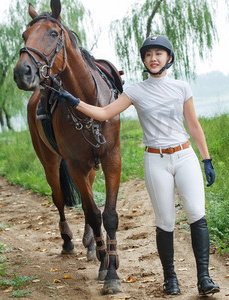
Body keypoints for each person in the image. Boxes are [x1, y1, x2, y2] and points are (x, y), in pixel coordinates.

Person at [58, 34, 220, 296]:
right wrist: (74, 101)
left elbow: (193, 125)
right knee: (165, 220)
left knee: (196, 214)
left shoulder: (182, 87)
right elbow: (104, 113)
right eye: (148, 55)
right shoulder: (134, 90)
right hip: (156, 160)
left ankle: (204, 278)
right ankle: (171, 279)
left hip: (184, 154)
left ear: (168, 58)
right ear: (144, 60)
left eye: (158, 54)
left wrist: (206, 158)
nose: (153, 59)